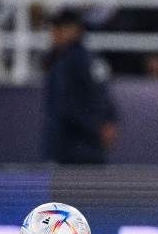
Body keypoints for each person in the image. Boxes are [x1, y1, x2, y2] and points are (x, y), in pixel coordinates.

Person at [43, 10, 118, 164]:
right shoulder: (91, 59)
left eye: (59, 28)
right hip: (89, 145)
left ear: (74, 30)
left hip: (72, 147)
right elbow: (105, 95)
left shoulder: (66, 62)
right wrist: (108, 122)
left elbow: (63, 105)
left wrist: (98, 127)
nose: (54, 34)